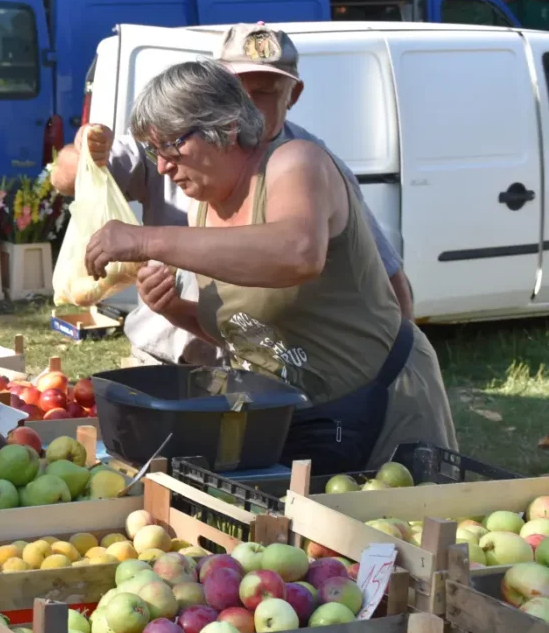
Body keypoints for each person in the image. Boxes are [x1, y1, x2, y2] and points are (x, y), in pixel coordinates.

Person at [83, 59, 455, 473]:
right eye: (154, 151)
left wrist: (146, 239)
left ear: (223, 129)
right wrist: (173, 309)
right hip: (292, 414)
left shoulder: (296, 163)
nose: (163, 166)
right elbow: (244, 330)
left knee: (394, 532)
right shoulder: (202, 210)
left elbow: (298, 253)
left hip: (379, 404)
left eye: (171, 144)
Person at [50, 23, 413, 361]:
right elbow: (65, 180)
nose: (247, 107)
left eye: (265, 93)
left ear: (294, 94)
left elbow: (381, 272)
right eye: (237, 91)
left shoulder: (310, 163)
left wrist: (402, 359)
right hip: (166, 353)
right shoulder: (174, 146)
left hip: (255, 366)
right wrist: (86, 154)